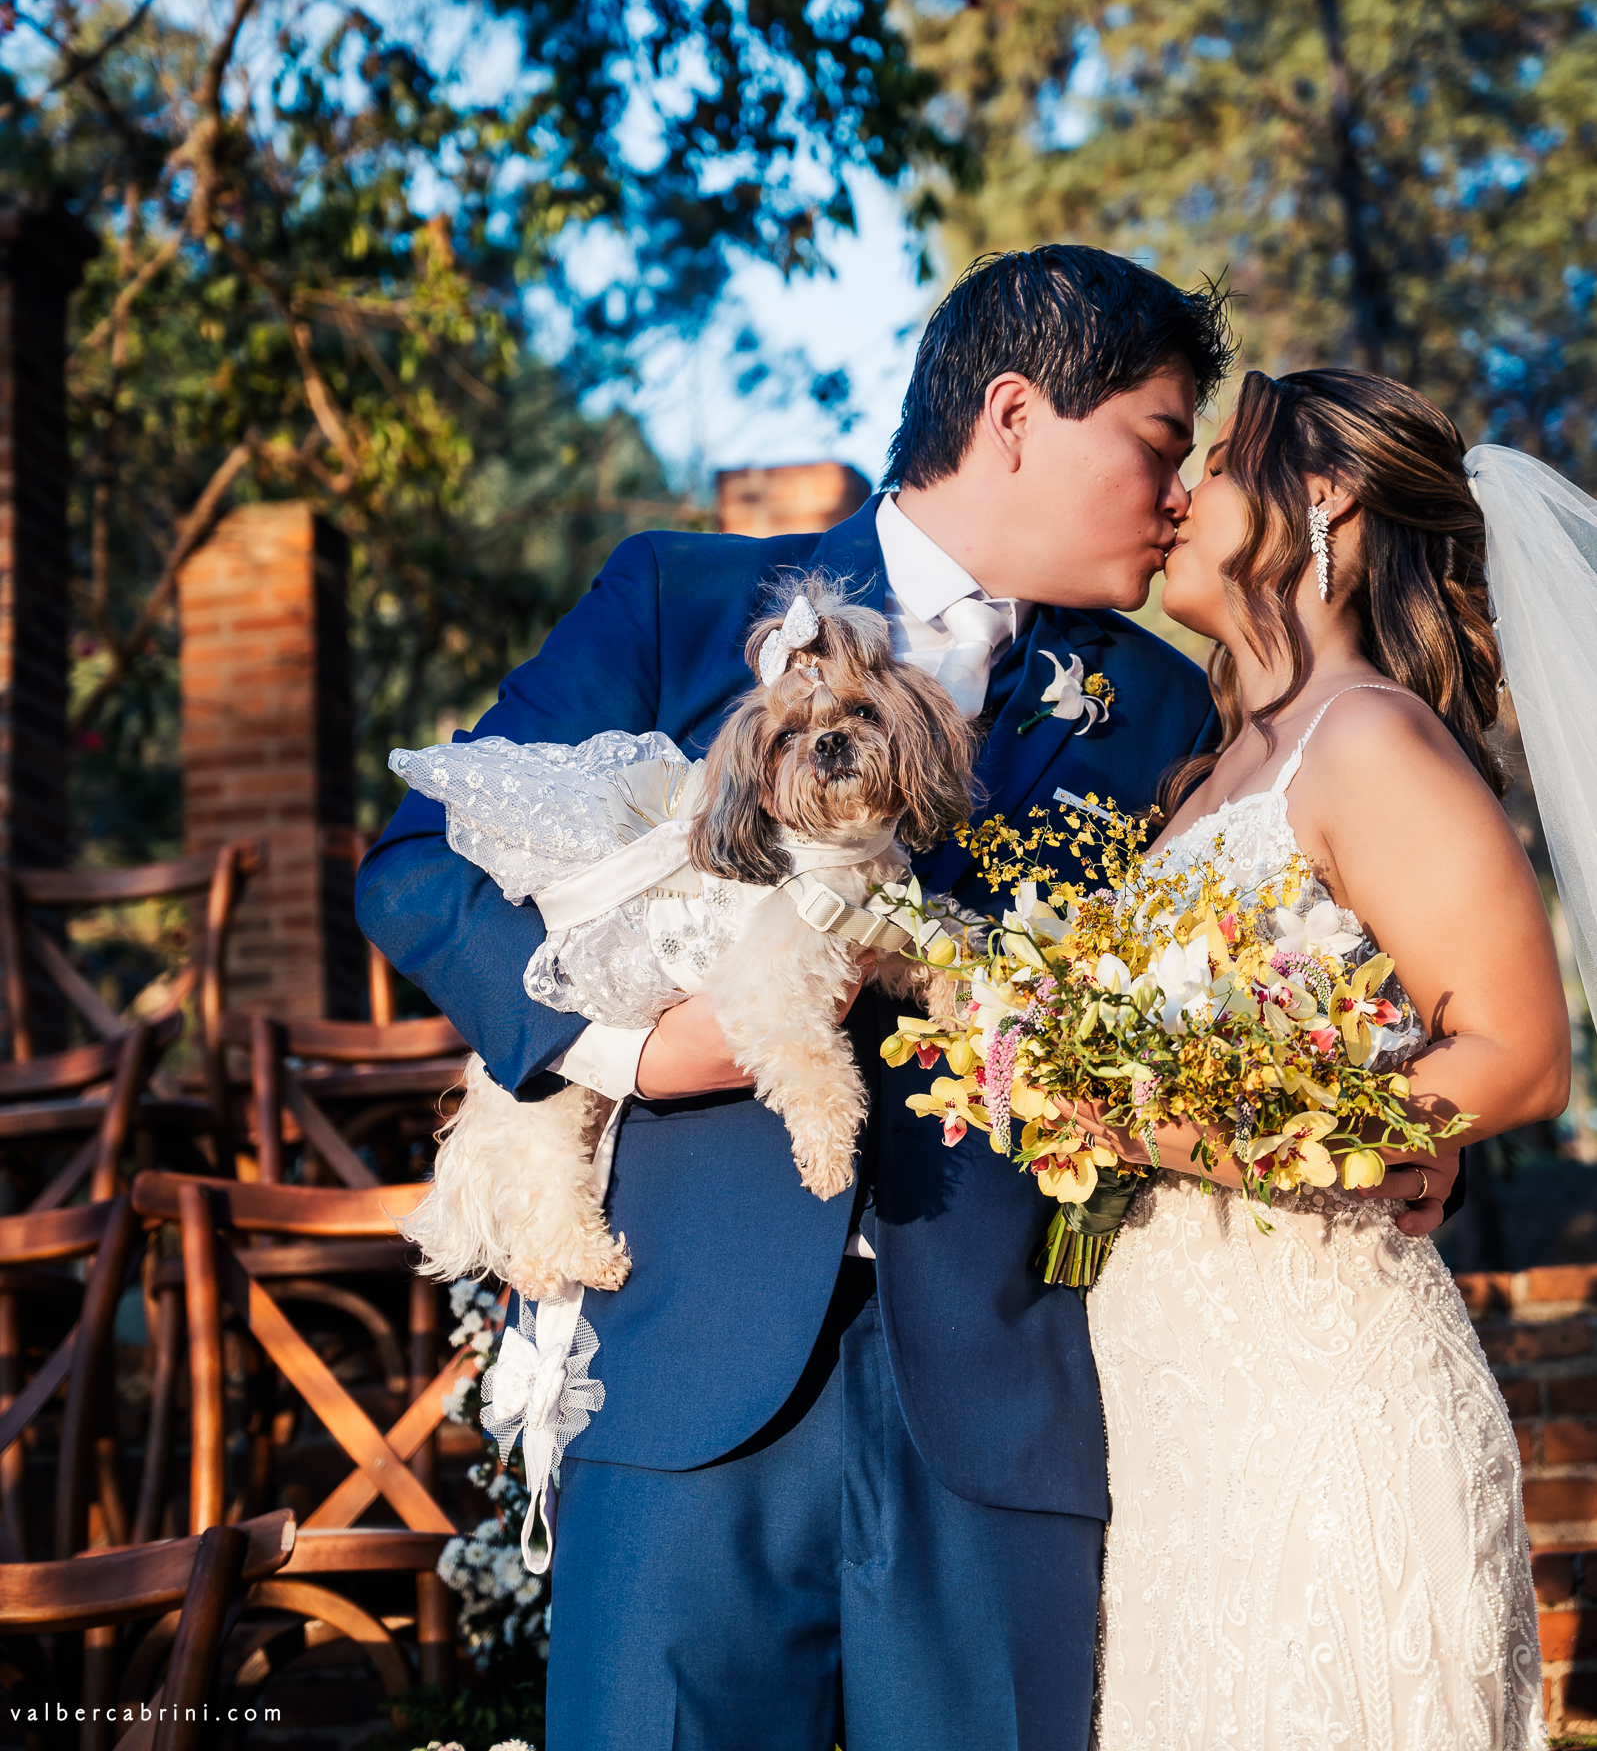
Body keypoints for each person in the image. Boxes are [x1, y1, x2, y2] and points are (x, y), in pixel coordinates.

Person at [358, 245, 1296, 1751]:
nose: (1179, 493)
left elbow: (1246, 968)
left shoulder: (1166, 705)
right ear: (1014, 415)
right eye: (1158, 438)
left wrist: (1372, 1126)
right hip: (681, 1376)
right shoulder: (676, 600)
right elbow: (417, 866)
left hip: (1006, 1398)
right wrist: (633, 1048)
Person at [1086, 367, 1569, 1751]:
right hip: (1175, 1427)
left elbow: (1520, 1057)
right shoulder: (1208, 773)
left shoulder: (1369, 737)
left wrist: (1169, 1130)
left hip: (1325, 1406)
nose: (1180, 491)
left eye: (1216, 462)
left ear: (1324, 498)